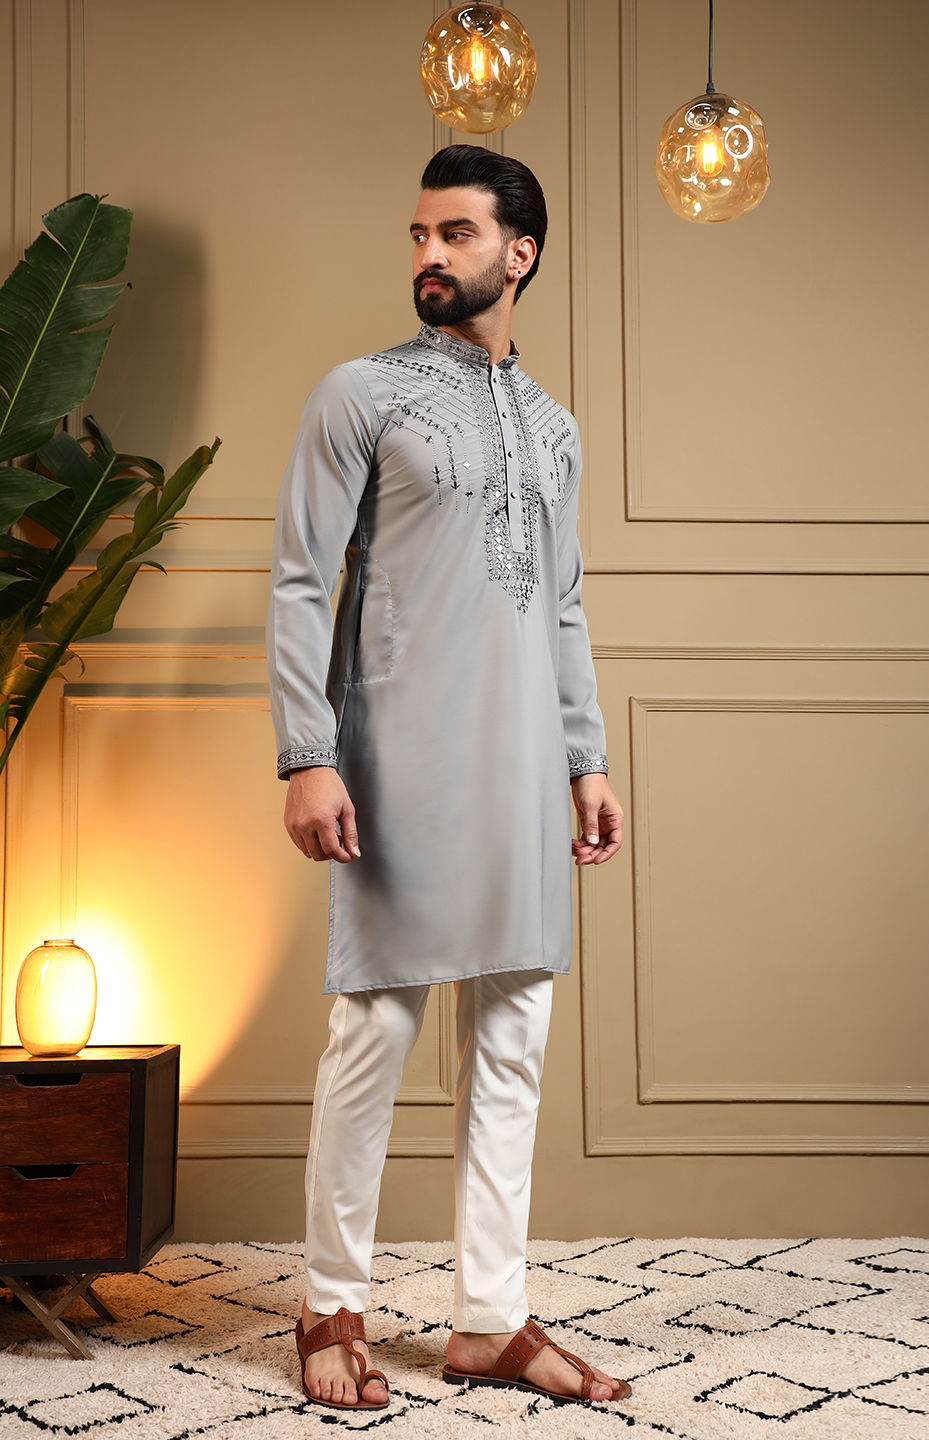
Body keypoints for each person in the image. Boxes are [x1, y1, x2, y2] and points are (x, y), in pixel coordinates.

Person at [267, 144, 631, 1412]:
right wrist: (308, 755)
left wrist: (586, 758)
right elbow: (302, 581)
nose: (429, 254)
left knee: (514, 1034)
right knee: (374, 1030)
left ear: (518, 254)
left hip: (525, 765)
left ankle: (488, 1318)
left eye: (456, 235)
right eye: (419, 234)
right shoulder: (359, 395)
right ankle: (330, 1305)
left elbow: (564, 606)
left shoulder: (556, 429)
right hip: (395, 756)